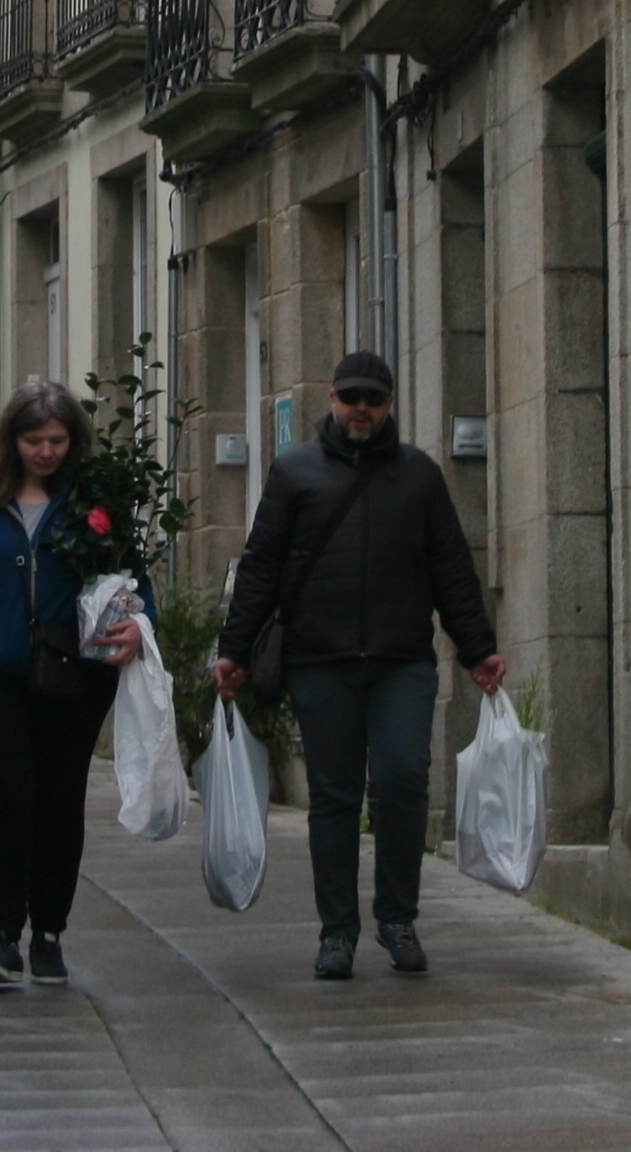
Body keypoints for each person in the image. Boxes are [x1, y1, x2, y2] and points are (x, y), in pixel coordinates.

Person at [215, 350, 504, 980]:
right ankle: (337, 932)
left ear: (390, 404)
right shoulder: (295, 474)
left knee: (402, 781)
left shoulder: (419, 477)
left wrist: (478, 648)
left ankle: (398, 918)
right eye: (351, 398)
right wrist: (233, 651)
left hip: (402, 661)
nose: (362, 410)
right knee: (335, 797)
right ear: (333, 401)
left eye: (373, 399)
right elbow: (260, 566)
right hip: (321, 661)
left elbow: (451, 570)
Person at [0, 381, 153, 992]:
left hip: (76, 670)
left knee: (59, 799)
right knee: (7, 792)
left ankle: (48, 934)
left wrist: (138, 626)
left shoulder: (96, 500)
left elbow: (134, 578)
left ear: (74, 442)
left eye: (57, 440)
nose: (45, 452)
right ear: (11, 441)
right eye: (33, 440)